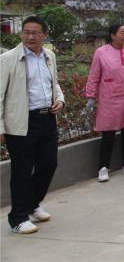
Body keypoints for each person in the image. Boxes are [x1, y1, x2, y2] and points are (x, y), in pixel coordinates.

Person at [0, 16, 65, 234]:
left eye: (35, 32)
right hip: (21, 121)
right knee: (22, 170)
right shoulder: (8, 59)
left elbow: (53, 82)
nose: (29, 36)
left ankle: (32, 204)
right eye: (26, 32)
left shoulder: (49, 56)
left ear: (44, 35)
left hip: (47, 118)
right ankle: (18, 218)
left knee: (49, 164)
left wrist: (60, 99)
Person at [86, 24, 124, 182]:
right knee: (108, 134)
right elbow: (94, 75)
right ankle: (103, 167)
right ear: (112, 35)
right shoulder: (101, 52)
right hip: (110, 97)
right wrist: (91, 96)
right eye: (122, 33)